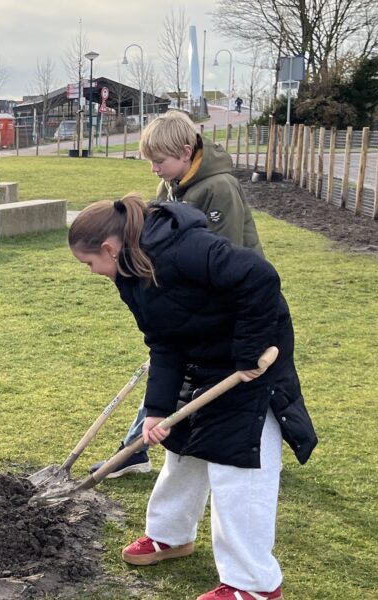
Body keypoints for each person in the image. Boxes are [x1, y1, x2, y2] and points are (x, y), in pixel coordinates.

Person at [68, 194, 316, 600]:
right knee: (182, 447)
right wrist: (157, 411)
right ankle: (171, 536)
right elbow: (163, 342)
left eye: (89, 263)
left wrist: (248, 352)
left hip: (251, 358)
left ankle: (254, 585)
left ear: (109, 249)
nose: (91, 271)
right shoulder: (130, 277)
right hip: (202, 357)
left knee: (237, 464)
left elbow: (260, 277)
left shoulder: (184, 247)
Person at [93, 110, 267, 478]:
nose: (154, 169)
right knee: (167, 371)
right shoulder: (170, 186)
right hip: (185, 308)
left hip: (226, 308)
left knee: (213, 379)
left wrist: (182, 316)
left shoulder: (219, 188)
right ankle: (134, 449)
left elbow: (225, 255)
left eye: (160, 161)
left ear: (186, 152)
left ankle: (135, 449)